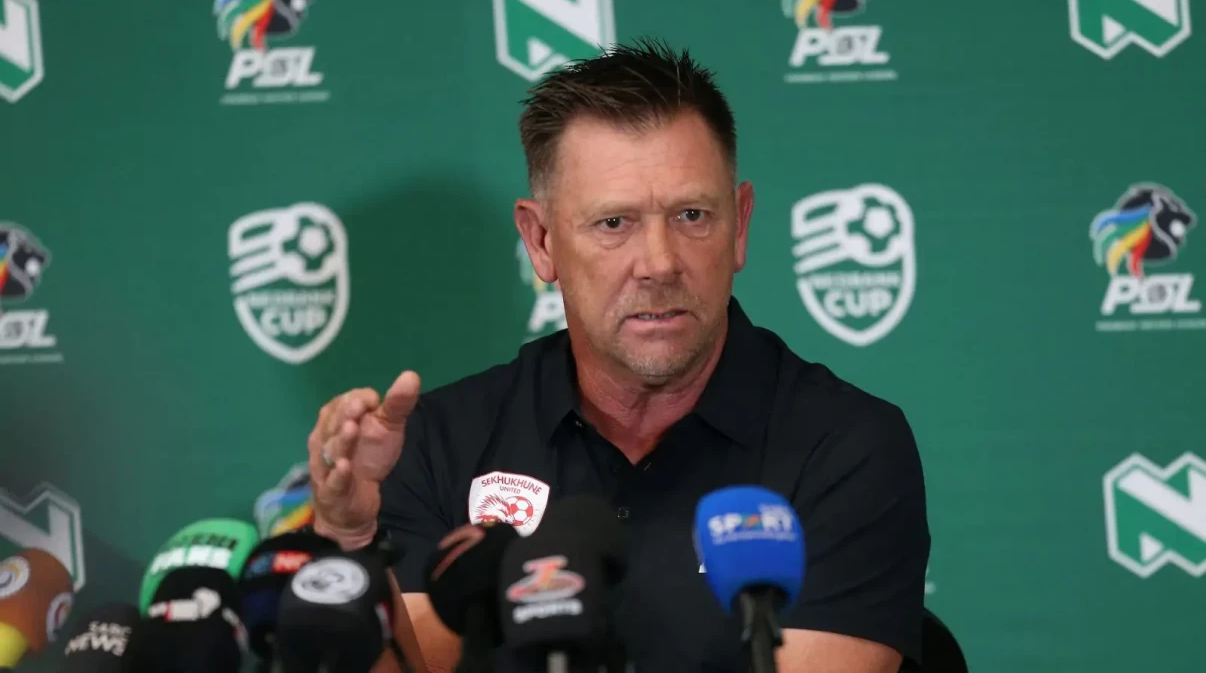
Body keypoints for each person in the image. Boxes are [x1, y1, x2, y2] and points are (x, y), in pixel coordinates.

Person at [306, 39, 930, 673]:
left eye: (692, 215)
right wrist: (351, 539)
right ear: (540, 241)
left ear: (739, 225)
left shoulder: (845, 446)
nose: (659, 263)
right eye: (614, 223)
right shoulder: (437, 444)